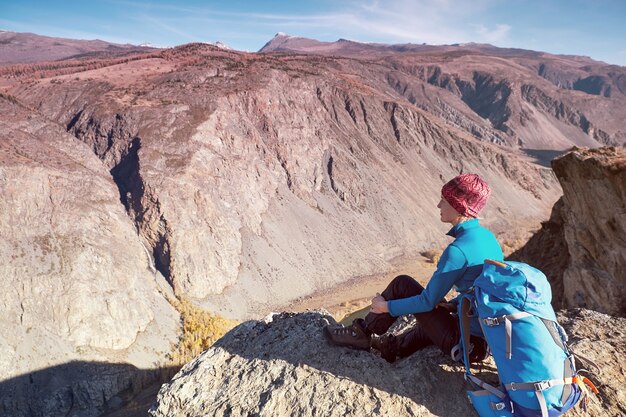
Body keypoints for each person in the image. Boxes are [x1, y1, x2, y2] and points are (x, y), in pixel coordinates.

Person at [324, 173, 503, 363]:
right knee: (432, 319)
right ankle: (393, 347)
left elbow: (426, 302)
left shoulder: (458, 251)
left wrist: (385, 307)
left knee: (403, 284)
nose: (438, 205)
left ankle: (360, 332)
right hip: (484, 343)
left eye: (444, 200)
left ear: (459, 206)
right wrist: (453, 304)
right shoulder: (488, 239)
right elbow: (481, 290)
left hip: (465, 342)